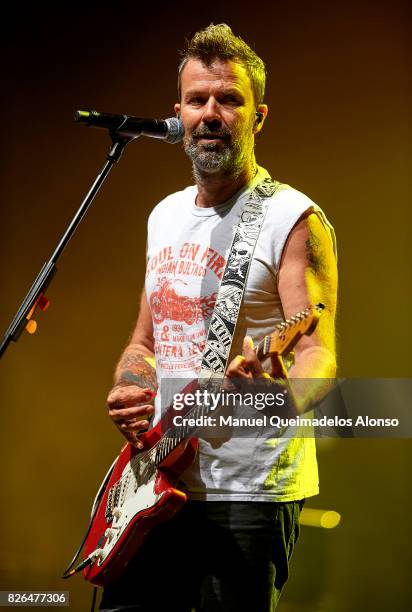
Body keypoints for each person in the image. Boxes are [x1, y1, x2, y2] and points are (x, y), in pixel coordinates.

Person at [99, 23, 338, 612]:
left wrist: (269, 395)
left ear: (258, 116)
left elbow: (316, 356)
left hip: (248, 494)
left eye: (229, 99)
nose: (211, 112)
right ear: (177, 113)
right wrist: (131, 383)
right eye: (197, 99)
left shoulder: (293, 218)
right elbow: (146, 336)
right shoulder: (163, 216)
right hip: (156, 481)